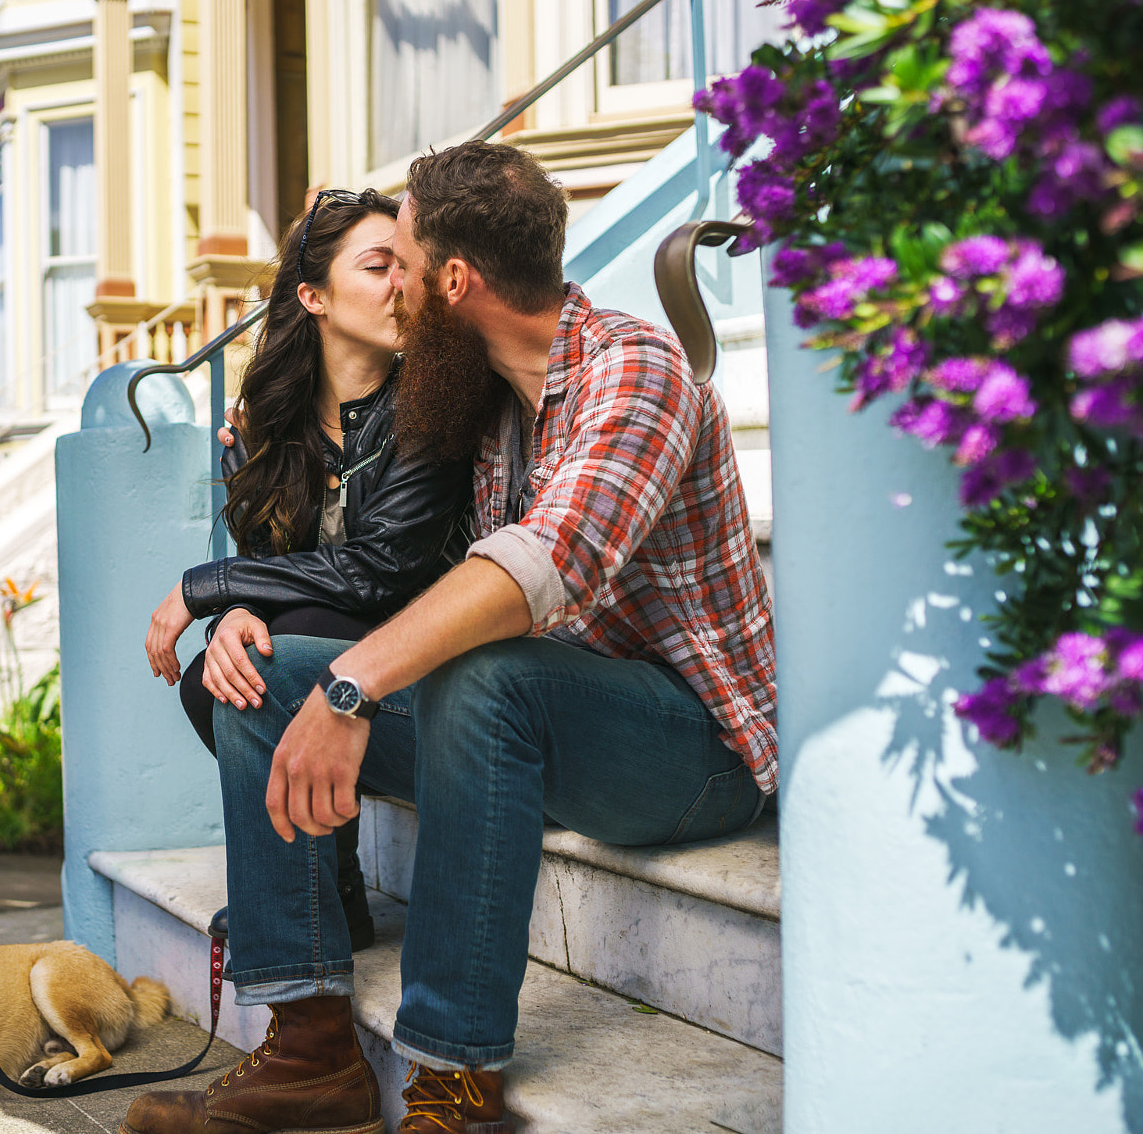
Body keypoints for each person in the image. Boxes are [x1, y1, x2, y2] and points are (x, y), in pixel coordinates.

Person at [122, 142, 777, 1134]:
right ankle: (309, 1054)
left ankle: (452, 1085)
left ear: (455, 282)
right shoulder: (479, 402)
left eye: (408, 263)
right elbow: (403, 574)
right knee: (255, 675)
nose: (397, 287)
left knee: (486, 677)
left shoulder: (632, 371)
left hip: (689, 750)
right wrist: (258, 606)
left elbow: (538, 567)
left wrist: (349, 691)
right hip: (540, 734)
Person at [144, 187, 472, 954]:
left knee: (285, 651)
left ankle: (314, 903)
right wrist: (233, 617)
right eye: (377, 264)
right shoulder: (263, 428)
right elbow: (271, 568)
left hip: (427, 675)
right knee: (217, 677)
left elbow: (381, 573)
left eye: (406, 265)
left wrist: (212, 588)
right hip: (337, 659)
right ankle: (330, 893)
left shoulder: (433, 402)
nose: (402, 282)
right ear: (313, 296)